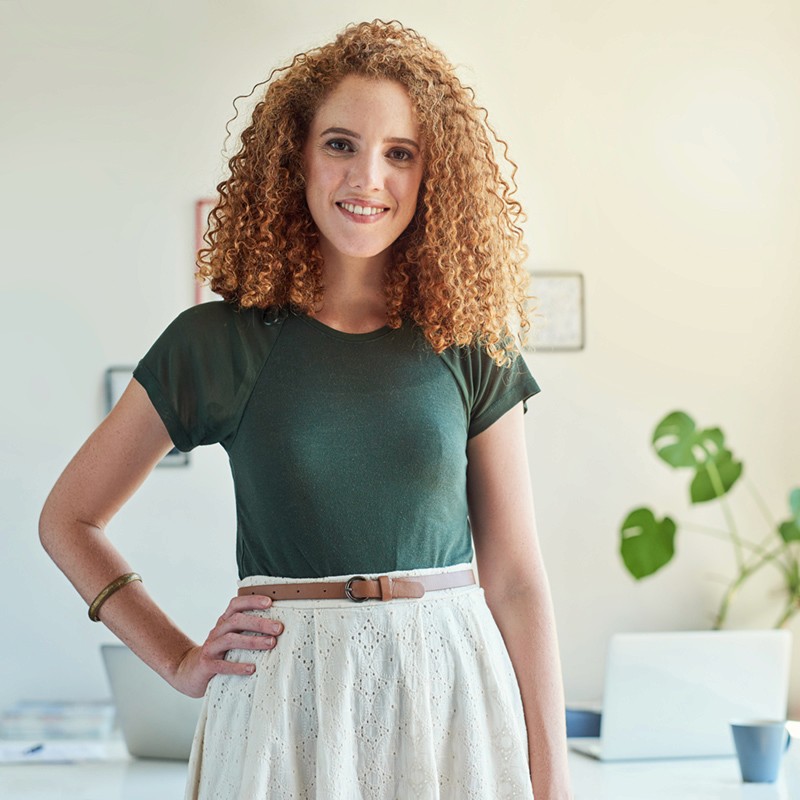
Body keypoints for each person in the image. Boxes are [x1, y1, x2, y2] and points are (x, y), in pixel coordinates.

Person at [39, 19, 572, 800]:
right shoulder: (215, 343)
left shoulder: (470, 342)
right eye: (340, 144)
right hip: (285, 702)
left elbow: (518, 580)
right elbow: (68, 520)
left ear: (433, 176)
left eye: (400, 153)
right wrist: (179, 659)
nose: (367, 179)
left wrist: (552, 778)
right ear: (295, 157)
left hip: (455, 694)